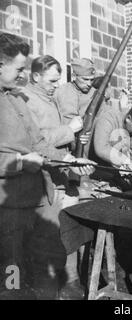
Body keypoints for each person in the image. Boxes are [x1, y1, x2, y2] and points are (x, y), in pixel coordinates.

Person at [0, 33, 95, 300]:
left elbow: (39, 143)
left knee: (50, 262)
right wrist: (19, 162)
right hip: (9, 208)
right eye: (19, 69)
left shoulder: (16, 99)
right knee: (12, 268)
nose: (23, 75)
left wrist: (69, 160)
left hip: (41, 200)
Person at [55, 58, 96, 125]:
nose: (89, 84)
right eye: (85, 79)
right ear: (74, 76)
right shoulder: (61, 91)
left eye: (92, 80)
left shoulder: (95, 94)